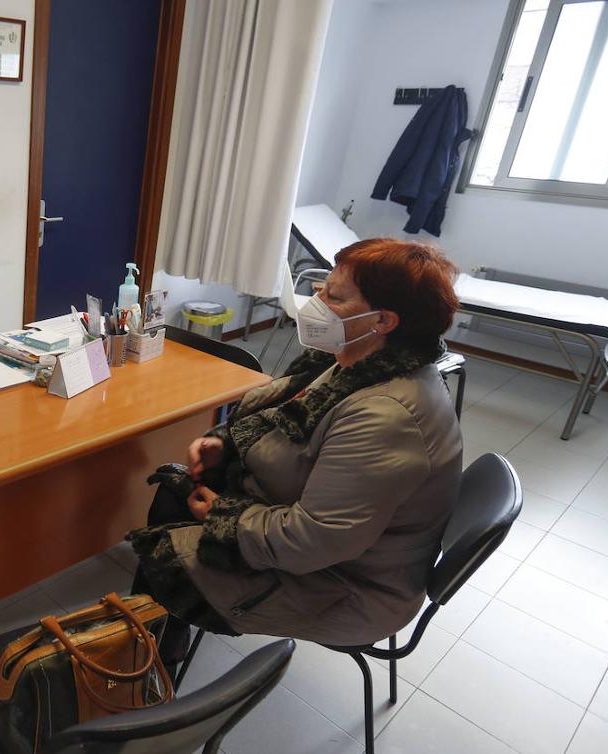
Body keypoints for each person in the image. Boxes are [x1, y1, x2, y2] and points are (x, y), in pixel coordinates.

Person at [131, 238, 463, 649]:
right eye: (322, 288)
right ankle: (157, 632)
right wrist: (226, 443)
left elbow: (312, 541)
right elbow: (286, 427)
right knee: (175, 490)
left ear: (383, 321)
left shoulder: (387, 417)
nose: (316, 303)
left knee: (167, 557)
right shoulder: (354, 362)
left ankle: (142, 664)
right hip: (326, 546)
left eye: (334, 297)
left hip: (344, 587)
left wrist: (224, 515)